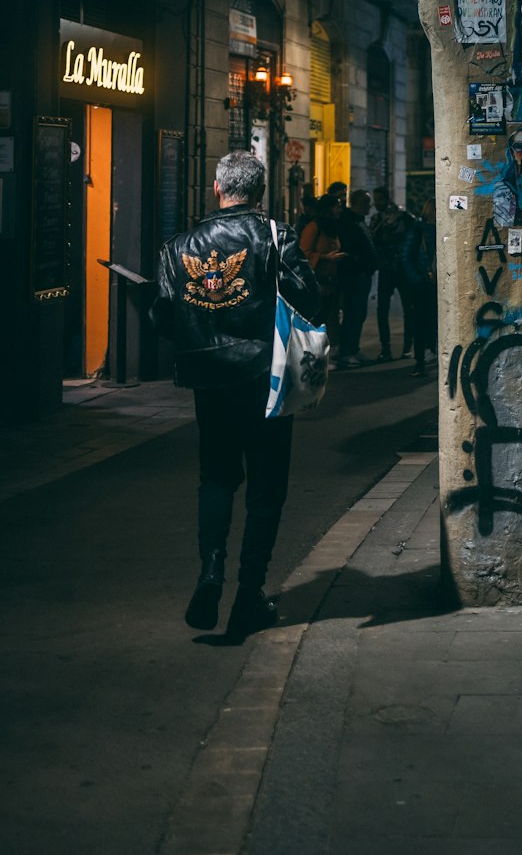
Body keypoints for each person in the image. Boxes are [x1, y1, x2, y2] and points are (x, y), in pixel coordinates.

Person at [151, 151, 321, 640]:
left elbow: (163, 317)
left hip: (211, 381)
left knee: (217, 476)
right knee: (267, 485)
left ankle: (210, 572)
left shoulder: (178, 245)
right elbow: (308, 297)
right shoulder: (276, 236)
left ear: (217, 188)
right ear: (261, 191)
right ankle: (249, 593)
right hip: (266, 378)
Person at [369, 186, 415, 361]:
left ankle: (406, 347)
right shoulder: (377, 219)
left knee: (407, 309)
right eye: (375, 199)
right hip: (387, 268)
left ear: (387, 199)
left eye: (379, 199)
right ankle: (386, 348)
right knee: (383, 309)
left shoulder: (401, 217)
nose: (376, 203)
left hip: (400, 268)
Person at [334, 188, 377, 368]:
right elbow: (350, 248)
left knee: (359, 313)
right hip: (354, 275)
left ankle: (353, 347)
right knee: (353, 313)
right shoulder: (348, 222)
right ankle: (347, 351)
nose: (370, 206)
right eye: (366, 202)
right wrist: (358, 265)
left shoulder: (359, 221)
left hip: (362, 274)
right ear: (358, 203)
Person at [298, 194, 347, 332]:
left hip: (331, 283)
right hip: (318, 283)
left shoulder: (331, 228)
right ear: (328, 209)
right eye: (337, 207)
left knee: (328, 318)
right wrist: (325, 257)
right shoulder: (313, 227)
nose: (340, 210)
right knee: (317, 320)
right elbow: (303, 253)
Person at [403, 198, 437, 377]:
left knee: (429, 321)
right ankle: (420, 359)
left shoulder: (429, 228)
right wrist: (417, 279)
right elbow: (407, 256)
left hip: (430, 281)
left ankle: (426, 357)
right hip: (424, 282)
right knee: (421, 322)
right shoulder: (419, 229)